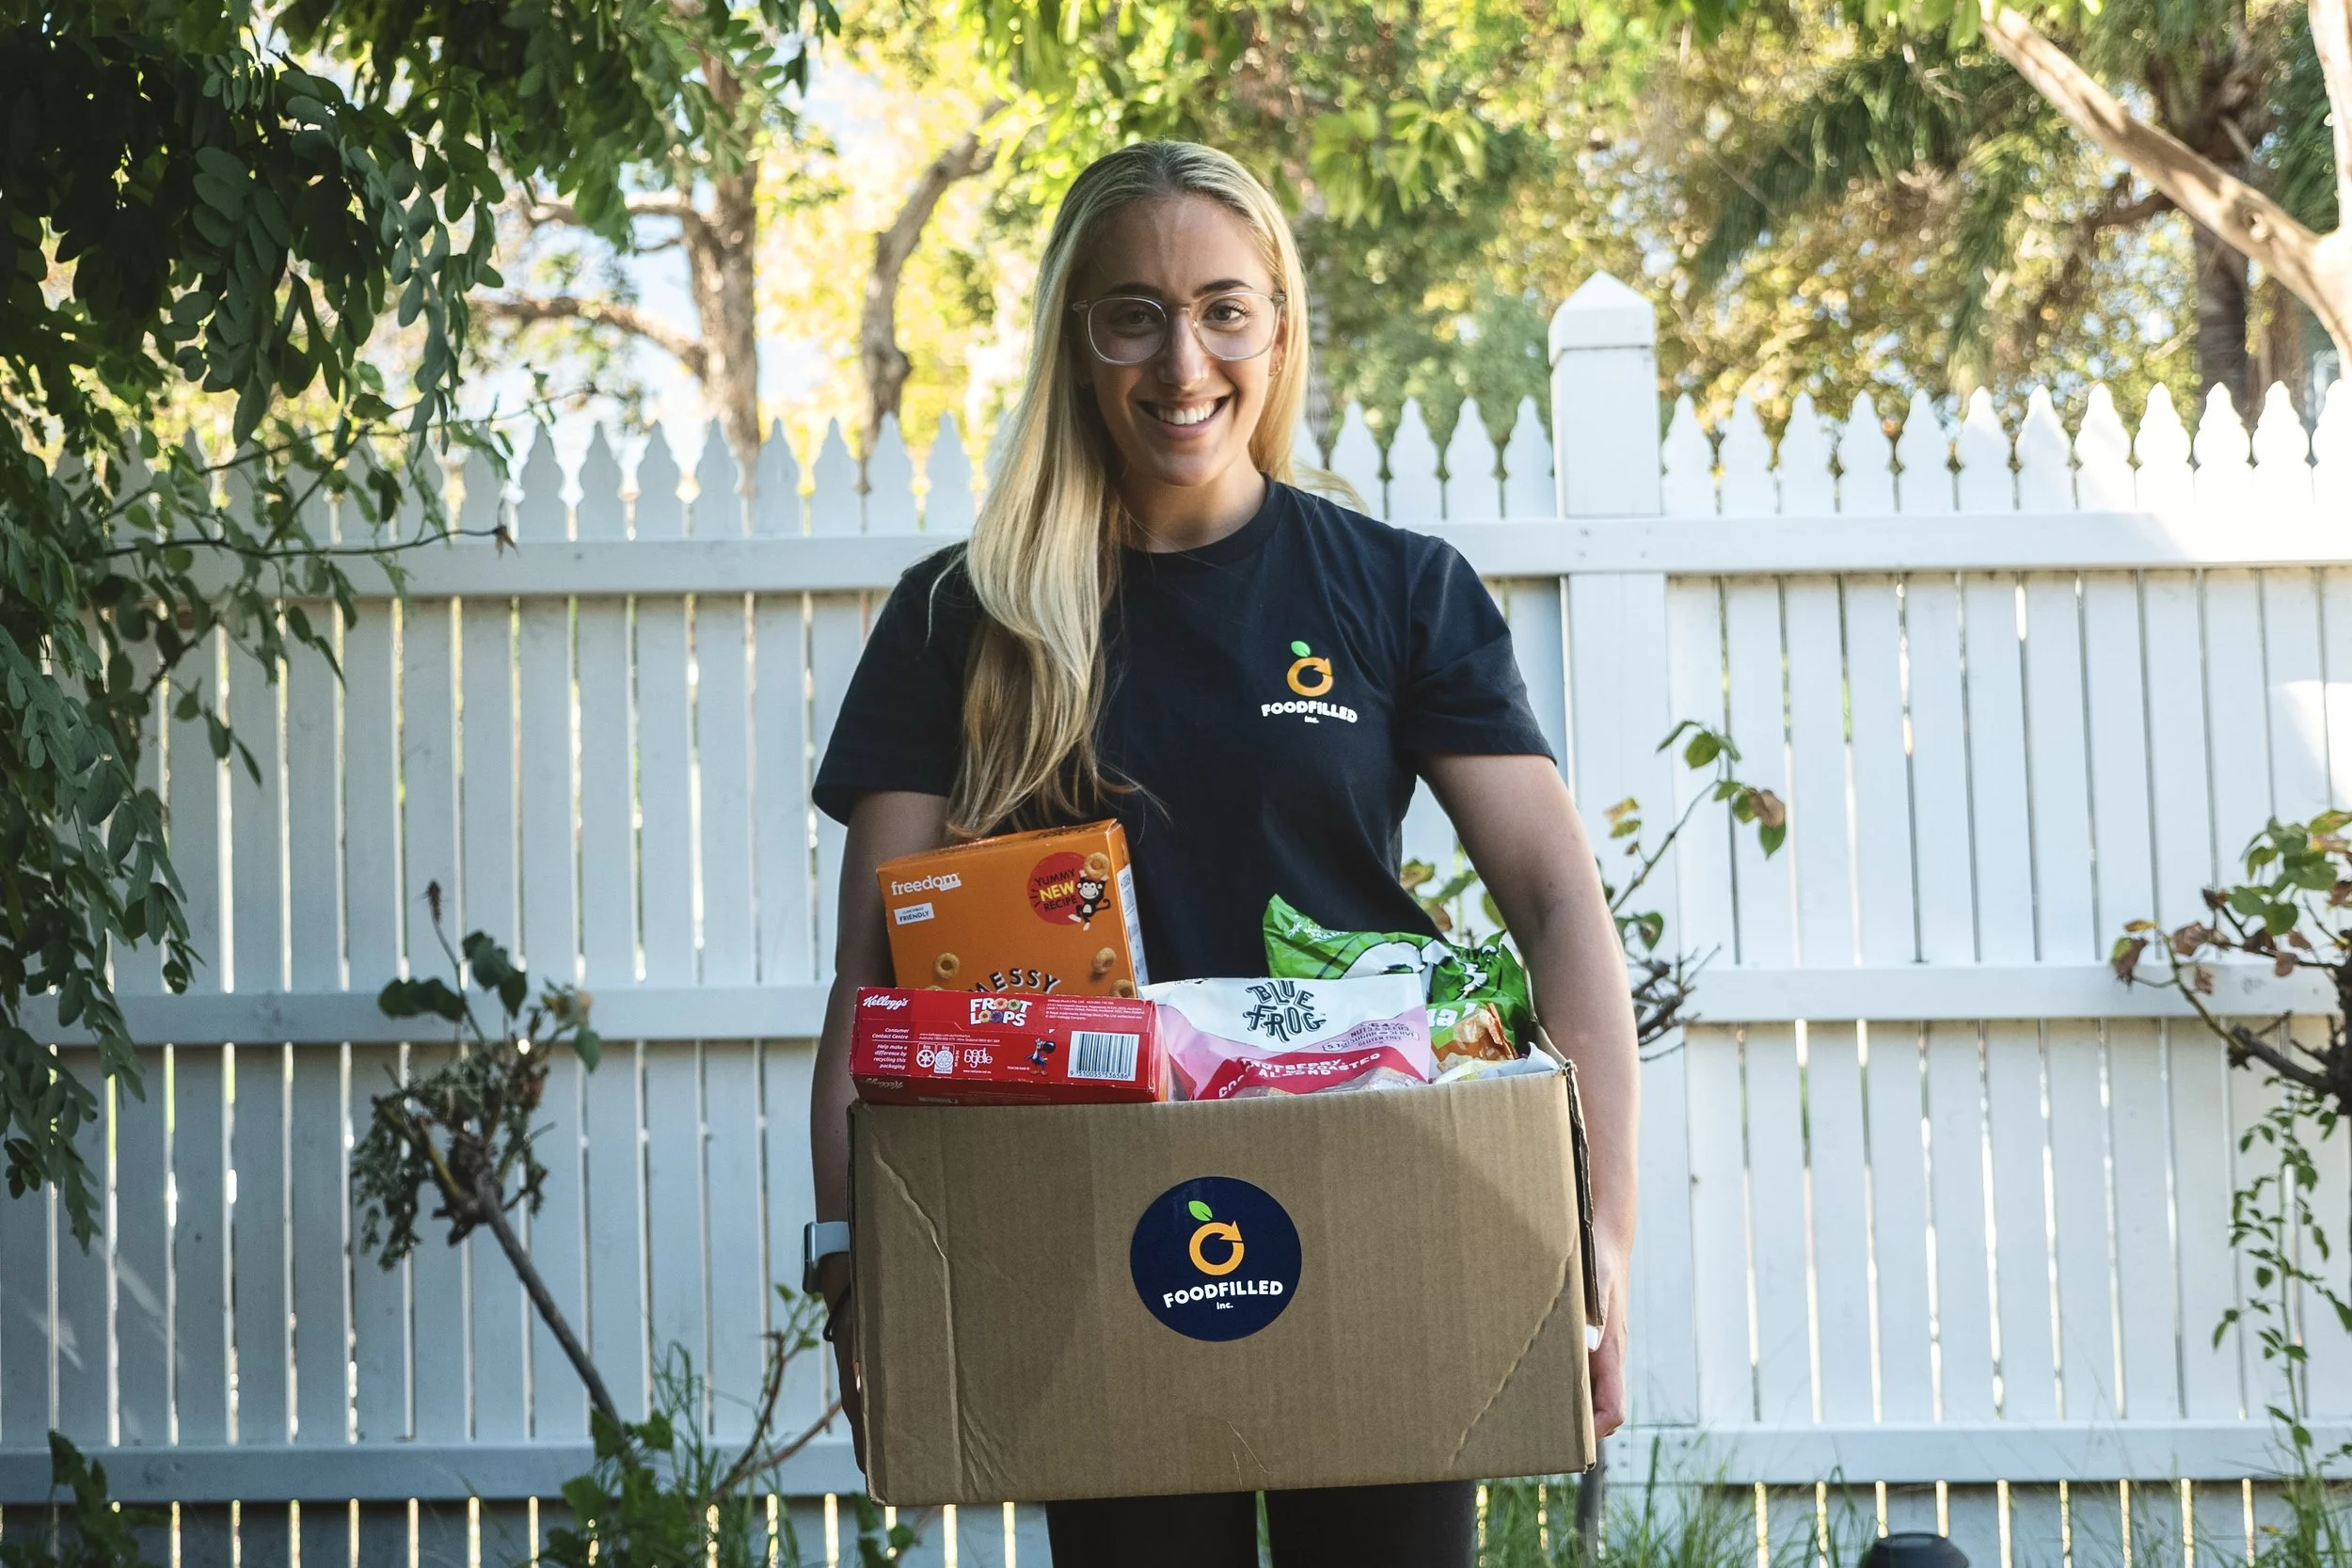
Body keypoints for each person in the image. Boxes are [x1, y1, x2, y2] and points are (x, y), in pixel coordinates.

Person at [805, 139, 1637, 1568]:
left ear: (1279, 327)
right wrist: (857, 1272)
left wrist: (1598, 1239)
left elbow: (1563, 903)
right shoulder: (958, 620)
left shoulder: (1394, 590)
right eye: (1133, 311)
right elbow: (871, 990)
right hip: (1089, 1241)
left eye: (1224, 308)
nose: (1181, 360)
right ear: (1076, 339)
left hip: (1381, 1218)